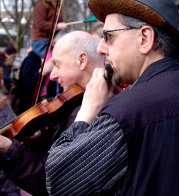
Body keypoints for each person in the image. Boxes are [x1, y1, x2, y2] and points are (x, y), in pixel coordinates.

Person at [45, 0, 179, 196]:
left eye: (109, 37)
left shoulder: (126, 113)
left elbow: (58, 182)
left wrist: (87, 112)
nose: (100, 48)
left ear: (144, 39)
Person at [0, 31, 104, 196]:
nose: (53, 75)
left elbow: (54, 182)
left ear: (82, 60)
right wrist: (39, 138)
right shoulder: (76, 104)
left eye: (58, 64)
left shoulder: (92, 112)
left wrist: (8, 150)